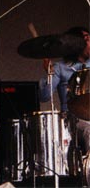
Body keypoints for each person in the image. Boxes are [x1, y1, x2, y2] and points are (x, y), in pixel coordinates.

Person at [39, 26, 90, 185]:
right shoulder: (61, 68)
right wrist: (49, 73)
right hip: (73, 119)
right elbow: (44, 96)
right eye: (87, 39)